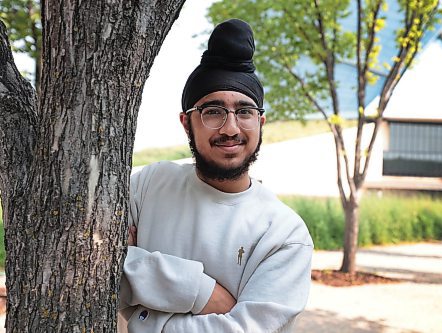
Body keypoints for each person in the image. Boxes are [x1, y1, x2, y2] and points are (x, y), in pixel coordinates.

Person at [119, 18, 313, 333]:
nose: (231, 128)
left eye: (245, 111)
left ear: (260, 123)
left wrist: (145, 317)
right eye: (213, 111)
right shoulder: (148, 186)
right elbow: (96, 266)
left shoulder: (283, 234)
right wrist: (200, 290)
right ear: (186, 123)